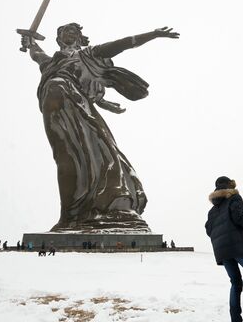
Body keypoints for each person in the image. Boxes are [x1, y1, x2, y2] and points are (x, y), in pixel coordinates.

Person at [21, 23, 179, 231]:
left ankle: (78, 214)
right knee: (71, 154)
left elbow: (122, 44)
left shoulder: (88, 54)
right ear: (58, 39)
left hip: (70, 99)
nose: (67, 34)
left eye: (72, 31)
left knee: (93, 152)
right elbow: (36, 54)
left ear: (79, 37)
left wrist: (153, 34)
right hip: (55, 99)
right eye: (63, 32)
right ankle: (77, 214)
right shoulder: (52, 62)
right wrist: (30, 43)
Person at [205, 176, 243, 322]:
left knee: (236, 282)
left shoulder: (212, 210)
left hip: (222, 251)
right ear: (229, 185)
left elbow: (208, 229)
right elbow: (237, 217)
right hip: (236, 245)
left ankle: (235, 319)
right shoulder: (234, 197)